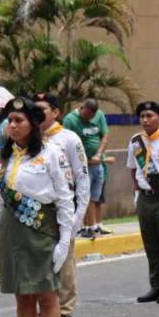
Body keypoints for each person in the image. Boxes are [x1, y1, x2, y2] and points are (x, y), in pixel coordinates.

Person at [0, 97, 74, 317]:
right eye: (9, 121)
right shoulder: (3, 158)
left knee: (46, 296)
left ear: (33, 124)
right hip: (11, 233)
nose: (12, 126)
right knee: (22, 296)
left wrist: (65, 240)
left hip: (41, 230)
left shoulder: (52, 154)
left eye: (19, 120)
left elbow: (65, 199)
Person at [36, 93, 90, 317]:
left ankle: (65, 309)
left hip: (64, 207)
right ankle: (47, 307)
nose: (38, 114)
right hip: (38, 209)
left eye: (43, 109)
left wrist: (79, 214)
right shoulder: (31, 140)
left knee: (64, 261)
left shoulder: (69, 139)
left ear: (56, 112)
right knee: (41, 261)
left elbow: (82, 177)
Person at [127, 100, 159, 304]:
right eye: (142, 116)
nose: (145, 120)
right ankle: (155, 285)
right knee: (151, 244)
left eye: (150, 116)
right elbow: (132, 169)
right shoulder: (136, 141)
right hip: (146, 197)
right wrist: (137, 192)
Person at [62, 98, 110, 237]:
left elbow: (105, 136)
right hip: (81, 165)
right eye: (86, 116)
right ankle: (85, 226)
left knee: (96, 196)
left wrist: (99, 154)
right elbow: (66, 143)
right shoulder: (70, 119)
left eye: (91, 116)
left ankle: (94, 225)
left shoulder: (99, 115)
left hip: (97, 163)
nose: (89, 119)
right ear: (81, 108)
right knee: (83, 196)